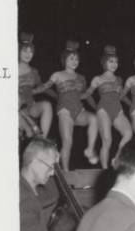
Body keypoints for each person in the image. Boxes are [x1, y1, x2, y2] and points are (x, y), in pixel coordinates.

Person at [33, 41, 99, 171]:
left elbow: (85, 95)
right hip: (65, 111)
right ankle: (66, 172)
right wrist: (32, 91)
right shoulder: (57, 75)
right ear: (65, 60)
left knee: (94, 119)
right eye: (71, 58)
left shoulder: (81, 78)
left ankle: (90, 150)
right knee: (68, 142)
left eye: (77, 59)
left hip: (79, 110)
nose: (75, 61)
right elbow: (44, 87)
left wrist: (97, 107)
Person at [81, 45, 133, 169]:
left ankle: (117, 159)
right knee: (107, 140)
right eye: (111, 61)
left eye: (116, 61)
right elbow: (87, 95)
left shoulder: (119, 79)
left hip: (118, 109)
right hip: (103, 109)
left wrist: (133, 104)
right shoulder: (97, 79)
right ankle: (104, 169)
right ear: (105, 62)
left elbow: (121, 97)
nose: (114, 64)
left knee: (128, 133)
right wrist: (71, 96)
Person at [19, 138, 74, 231]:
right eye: (50, 167)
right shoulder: (25, 200)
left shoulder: (33, 188)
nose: (53, 172)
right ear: (34, 162)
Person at [18, 32, 53, 138]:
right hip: (13, 109)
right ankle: (30, 129)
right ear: (18, 51)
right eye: (25, 51)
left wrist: (58, 96)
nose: (28, 54)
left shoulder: (34, 72)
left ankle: (42, 140)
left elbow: (43, 87)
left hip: (29, 107)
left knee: (47, 105)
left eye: (31, 52)